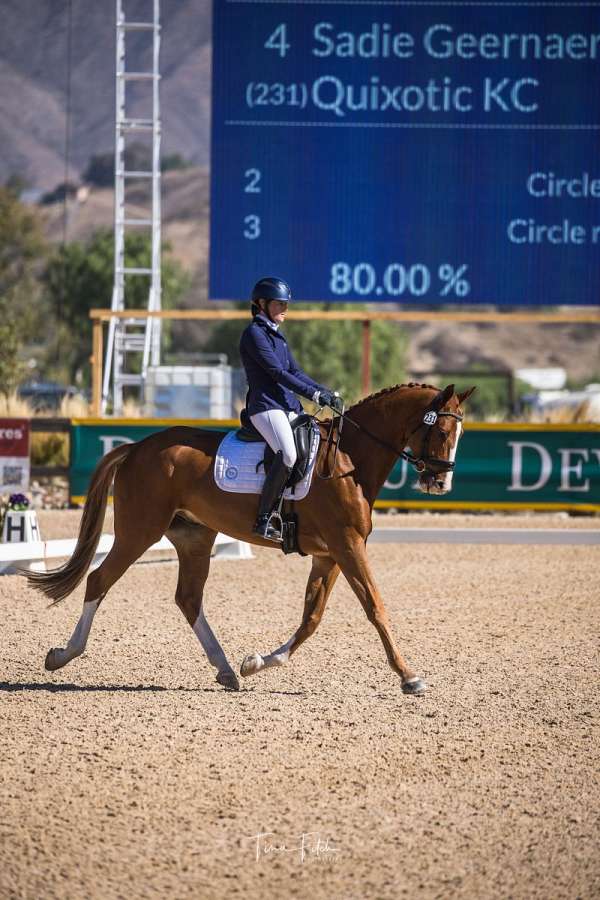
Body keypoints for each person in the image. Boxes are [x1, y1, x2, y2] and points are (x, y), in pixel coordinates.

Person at [239, 276, 344, 541]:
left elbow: (295, 371)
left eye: (286, 303)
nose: (285, 307)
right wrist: (313, 394)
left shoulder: (277, 337)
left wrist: (323, 391)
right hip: (266, 406)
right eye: (279, 303)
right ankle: (264, 518)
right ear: (261, 304)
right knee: (287, 454)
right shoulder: (254, 334)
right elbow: (276, 372)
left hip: (286, 404)